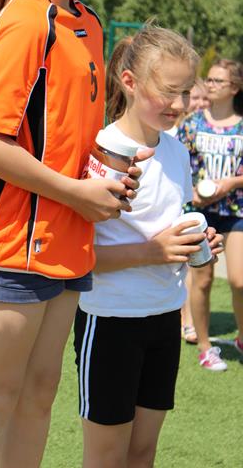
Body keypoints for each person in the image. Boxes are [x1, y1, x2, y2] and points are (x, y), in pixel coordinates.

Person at [0, 0, 150, 467]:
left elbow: (66, 136)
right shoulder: (25, 21)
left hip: (68, 242)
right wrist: (74, 190)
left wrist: (109, 171)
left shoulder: (88, 23)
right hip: (13, 247)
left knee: (40, 396)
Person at [74, 26, 223, 468]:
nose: (179, 104)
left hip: (164, 319)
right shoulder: (102, 150)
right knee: (106, 457)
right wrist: (154, 252)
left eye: (186, 92)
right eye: (169, 91)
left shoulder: (177, 152)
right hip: (110, 321)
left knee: (142, 453)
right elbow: (80, 258)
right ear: (130, 82)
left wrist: (196, 240)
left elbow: (168, 225)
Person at [177, 58, 243, 371]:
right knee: (201, 281)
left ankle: (241, 338)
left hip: (235, 211)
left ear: (235, 88)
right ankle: (205, 347)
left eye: (219, 81)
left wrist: (231, 182)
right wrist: (189, 191)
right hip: (200, 212)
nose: (211, 85)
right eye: (210, 79)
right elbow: (177, 162)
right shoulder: (192, 124)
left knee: (240, 281)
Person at [180, 77, 210, 344]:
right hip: (182, 202)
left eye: (205, 99)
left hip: (196, 201)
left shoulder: (201, 129)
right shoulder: (173, 129)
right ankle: (186, 320)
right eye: (195, 97)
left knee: (193, 265)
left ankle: (188, 319)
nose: (201, 103)